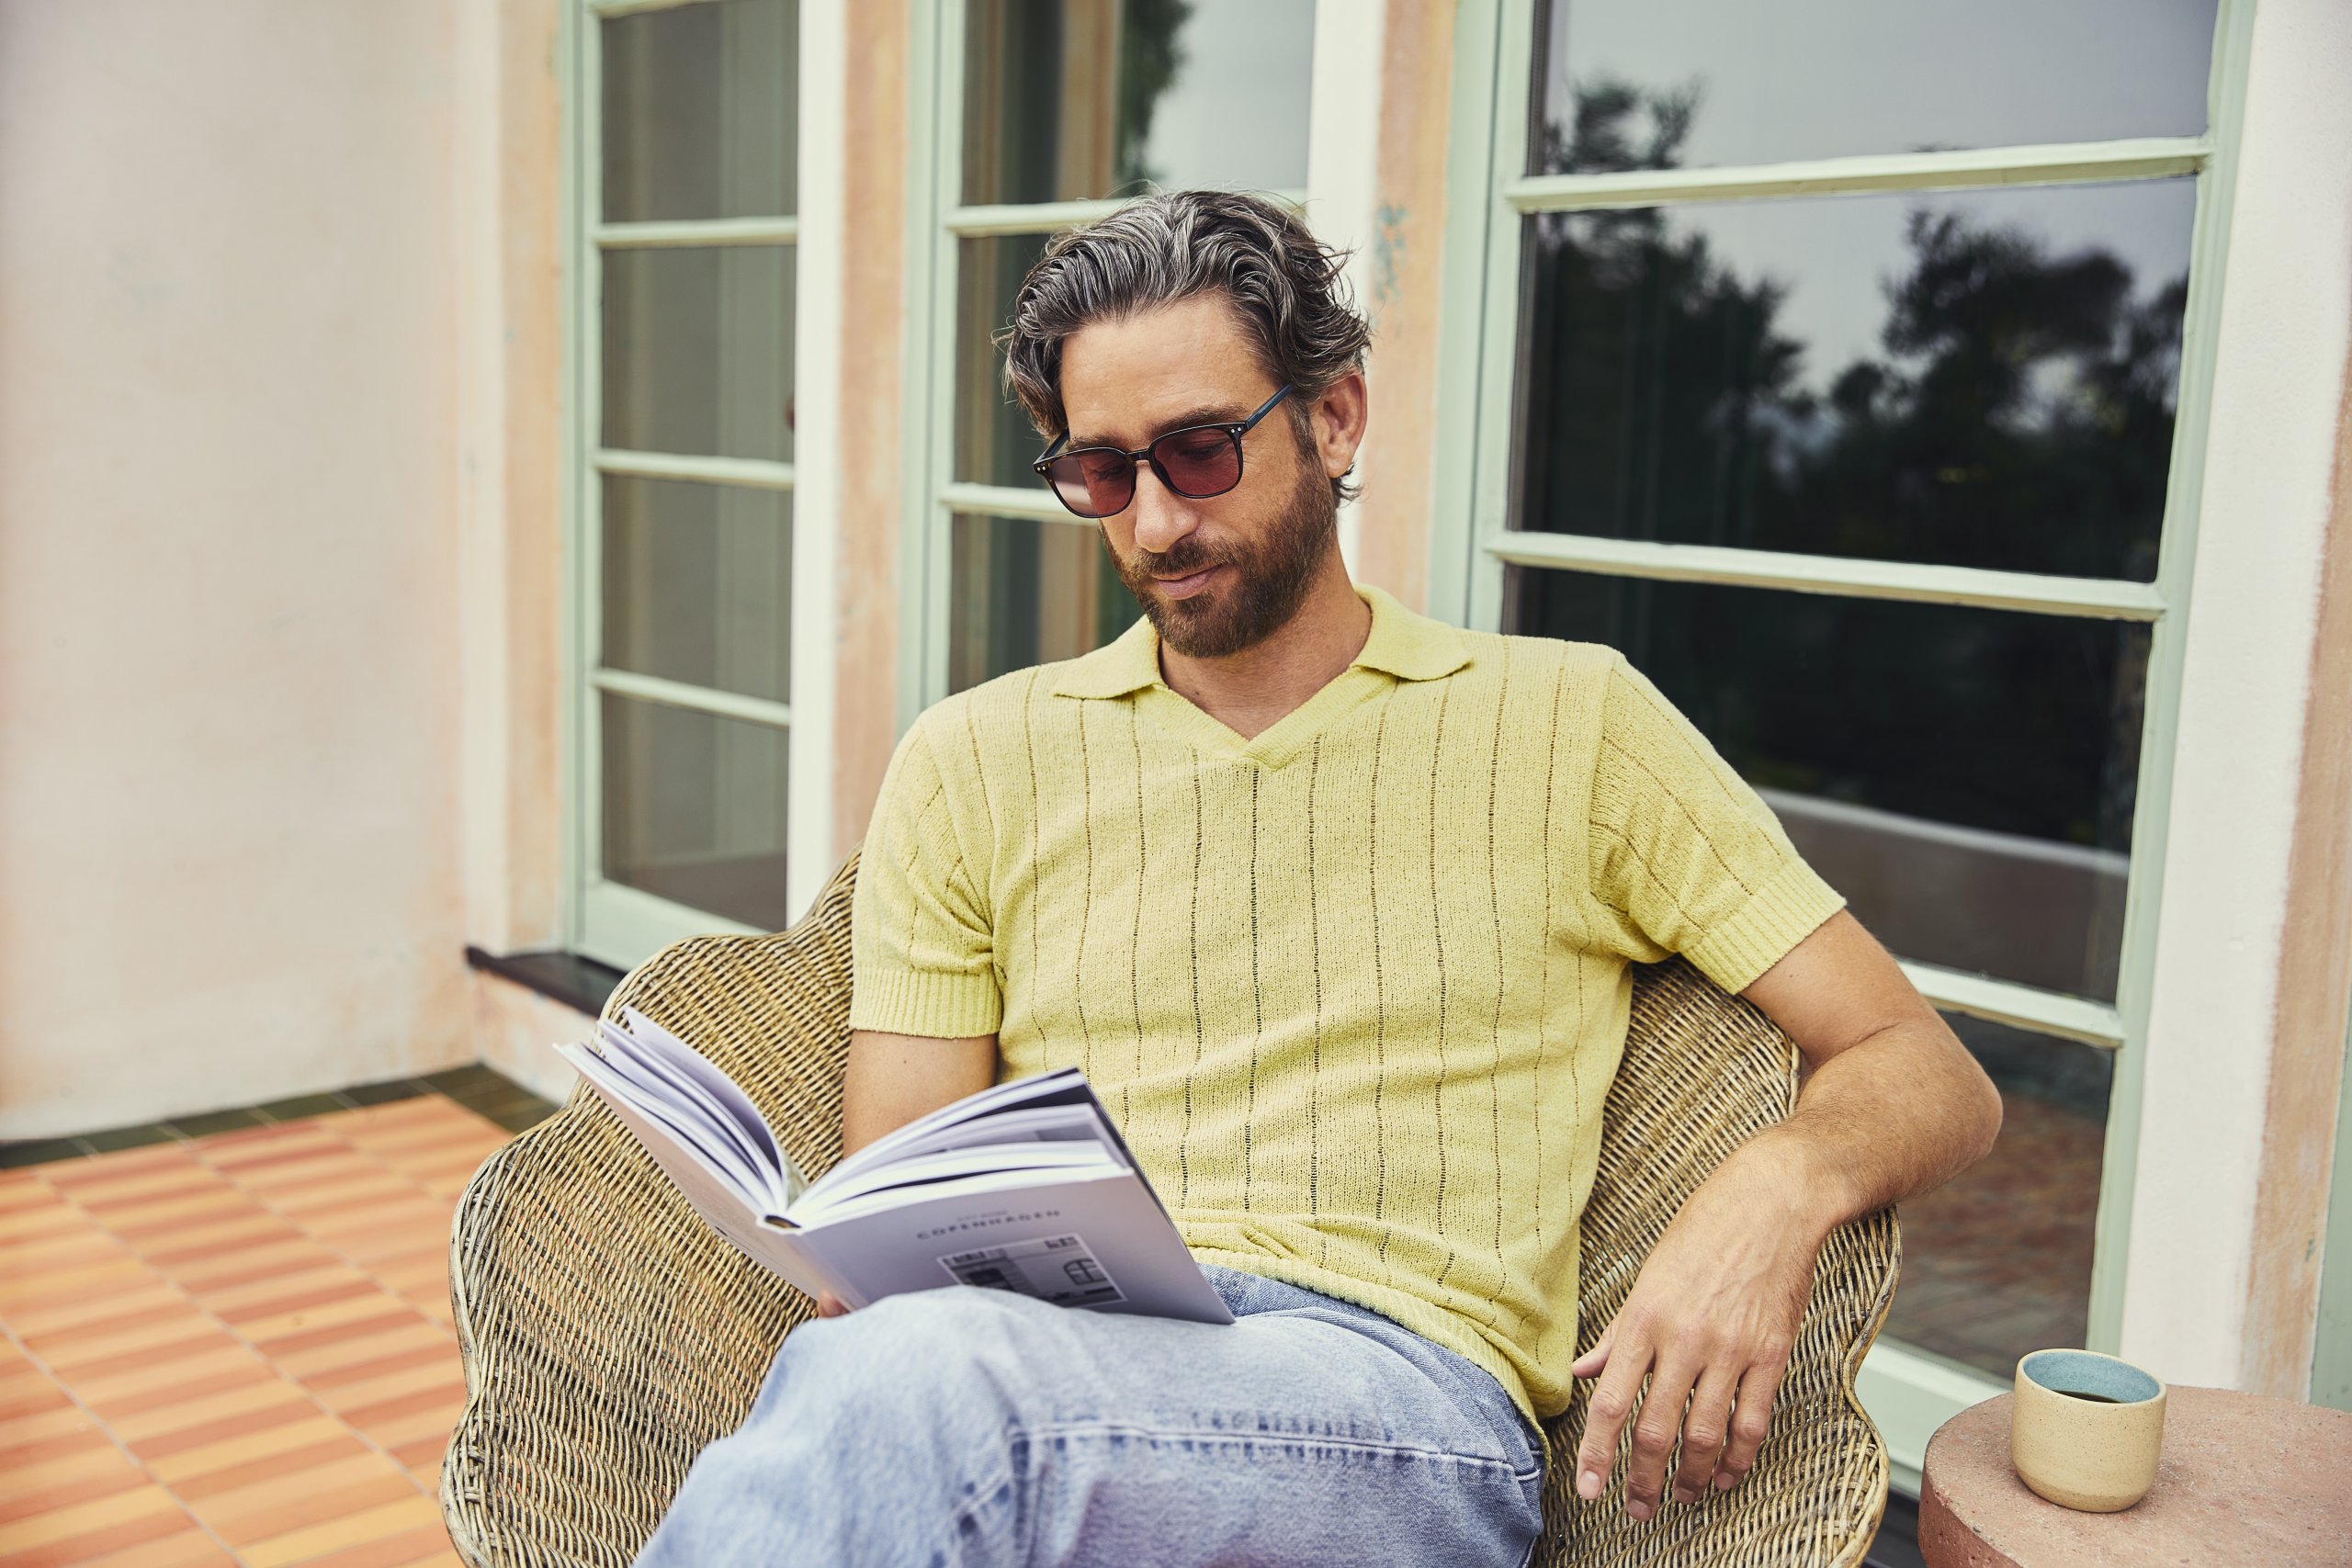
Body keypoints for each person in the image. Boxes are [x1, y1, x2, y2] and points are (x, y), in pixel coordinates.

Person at [632, 189, 2003, 1568]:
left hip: (1390, 1404)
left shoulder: (1571, 725)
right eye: (1102, 472)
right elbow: (897, 1219)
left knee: (932, 1395)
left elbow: (1928, 1068)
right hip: (1042, 1363)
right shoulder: (972, 759)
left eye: (1200, 450)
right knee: (915, 1379)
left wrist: (1777, 1186)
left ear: (1335, 418)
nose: (1156, 521)